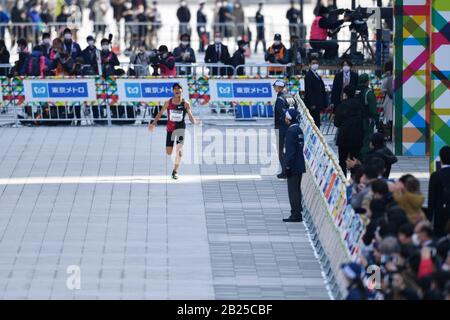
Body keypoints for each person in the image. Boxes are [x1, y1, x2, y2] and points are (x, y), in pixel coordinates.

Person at [148, 83, 200, 180]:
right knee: (169, 152)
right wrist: (153, 124)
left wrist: (195, 122)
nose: (177, 90)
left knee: (179, 151)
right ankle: (175, 151)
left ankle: (175, 171)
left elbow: (190, 115)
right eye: (175, 89)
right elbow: (160, 113)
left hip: (180, 129)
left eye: (179, 89)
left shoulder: (185, 103)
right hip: (170, 129)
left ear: (182, 91)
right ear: (173, 91)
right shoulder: (169, 102)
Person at [334, 85, 364, 176]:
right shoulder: (360, 104)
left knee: (342, 161)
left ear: (345, 94)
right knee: (354, 159)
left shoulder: (342, 105)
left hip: (344, 136)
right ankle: (354, 180)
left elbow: (336, 122)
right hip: (357, 135)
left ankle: (343, 182)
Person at [283, 108, 306, 222]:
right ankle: (297, 211)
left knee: (293, 190)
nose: (285, 119)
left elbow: (290, 152)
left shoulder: (291, 132)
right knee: (296, 189)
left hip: (293, 166)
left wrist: (287, 167)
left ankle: (295, 213)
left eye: (286, 117)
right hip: (299, 164)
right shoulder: (298, 130)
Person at [273, 79, 295, 179]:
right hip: (292, 126)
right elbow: (295, 109)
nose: (274, 88)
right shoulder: (290, 96)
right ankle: (290, 169)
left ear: (279, 88)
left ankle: (284, 171)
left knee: (280, 149)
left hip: (282, 127)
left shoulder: (280, 99)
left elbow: (282, 113)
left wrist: (287, 120)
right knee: (290, 148)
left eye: (275, 87)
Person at [428, 146, 450, 238]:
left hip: (440, 214)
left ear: (440, 159)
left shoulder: (436, 176)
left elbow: (431, 198)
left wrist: (429, 219)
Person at [356, 73, 379, 160]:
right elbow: (373, 109)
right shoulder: (368, 92)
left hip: (356, 120)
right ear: (367, 81)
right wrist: (377, 120)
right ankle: (365, 159)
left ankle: (357, 157)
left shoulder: (356, 91)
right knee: (367, 140)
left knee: (358, 139)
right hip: (367, 121)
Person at [304, 56, 327, 128]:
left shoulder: (316, 74)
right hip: (313, 104)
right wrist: (312, 104)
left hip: (318, 103)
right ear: (309, 65)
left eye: (316, 63)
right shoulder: (309, 75)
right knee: (314, 123)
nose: (315, 64)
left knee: (317, 122)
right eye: (313, 63)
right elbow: (308, 91)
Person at [381, 61, 394, 141]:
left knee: (389, 118)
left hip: (388, 100)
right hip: (392, 100)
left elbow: (382, 89)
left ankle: (389, 135)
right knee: (391, 117)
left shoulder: (386, 79)